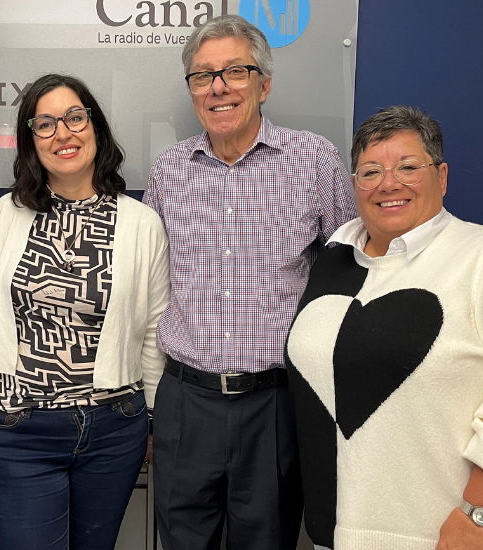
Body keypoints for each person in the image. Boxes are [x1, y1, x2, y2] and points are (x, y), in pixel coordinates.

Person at [285, 105, 483, 549]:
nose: (388, 183)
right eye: (370, 171)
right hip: (345, 531)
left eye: (408, 167)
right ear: (353, 186)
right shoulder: (334, 258)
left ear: (441, 177)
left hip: (458, 536)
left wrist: (478, 519)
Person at [142, 14, 358, 550]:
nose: (218, 87)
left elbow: (349, 271)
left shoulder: (314, 160)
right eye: (202, 75)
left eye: (234, 71)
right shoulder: (169, 170)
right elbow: (148, 285)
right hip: (186, 403)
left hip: (276, 404)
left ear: (263, 83)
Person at [0, 73, 170, 550]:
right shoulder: (5, 215)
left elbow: (151, 331)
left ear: (96, 129)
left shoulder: (141, 223)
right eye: (45, 124)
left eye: (74, 117)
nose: (63, 133)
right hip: (22, 426)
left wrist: (149, 419)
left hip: (113, 427)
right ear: (29, 141)